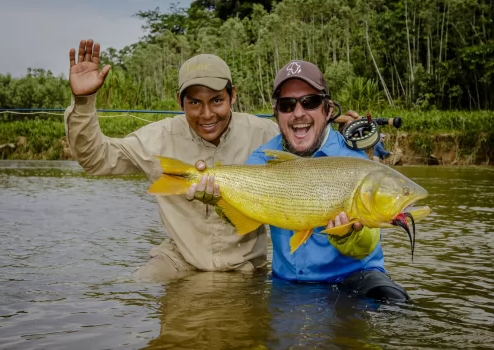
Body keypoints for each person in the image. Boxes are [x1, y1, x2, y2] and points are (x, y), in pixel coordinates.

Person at [64, 39, 279, 280]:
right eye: (195, 102)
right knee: (137, 286)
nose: (207, 114)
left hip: (245, 266)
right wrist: (83, 101)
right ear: (179, 101)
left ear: (233, 95)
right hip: (178, 261)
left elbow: (312, 159)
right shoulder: (158, 138)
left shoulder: (266, 134)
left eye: (217, 100)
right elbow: (97, 159)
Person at [243, 60, 409, 301]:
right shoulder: (262, 159)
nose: (298, 113)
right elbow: (239, 216)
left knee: (394, 302)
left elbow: (369, 243)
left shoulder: (353, 160)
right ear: (276, 113)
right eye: (287, 105)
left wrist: (349, 235)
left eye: (309, 102)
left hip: (352, 279)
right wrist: (215, 198)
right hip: (287, 283)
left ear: (328, 110)